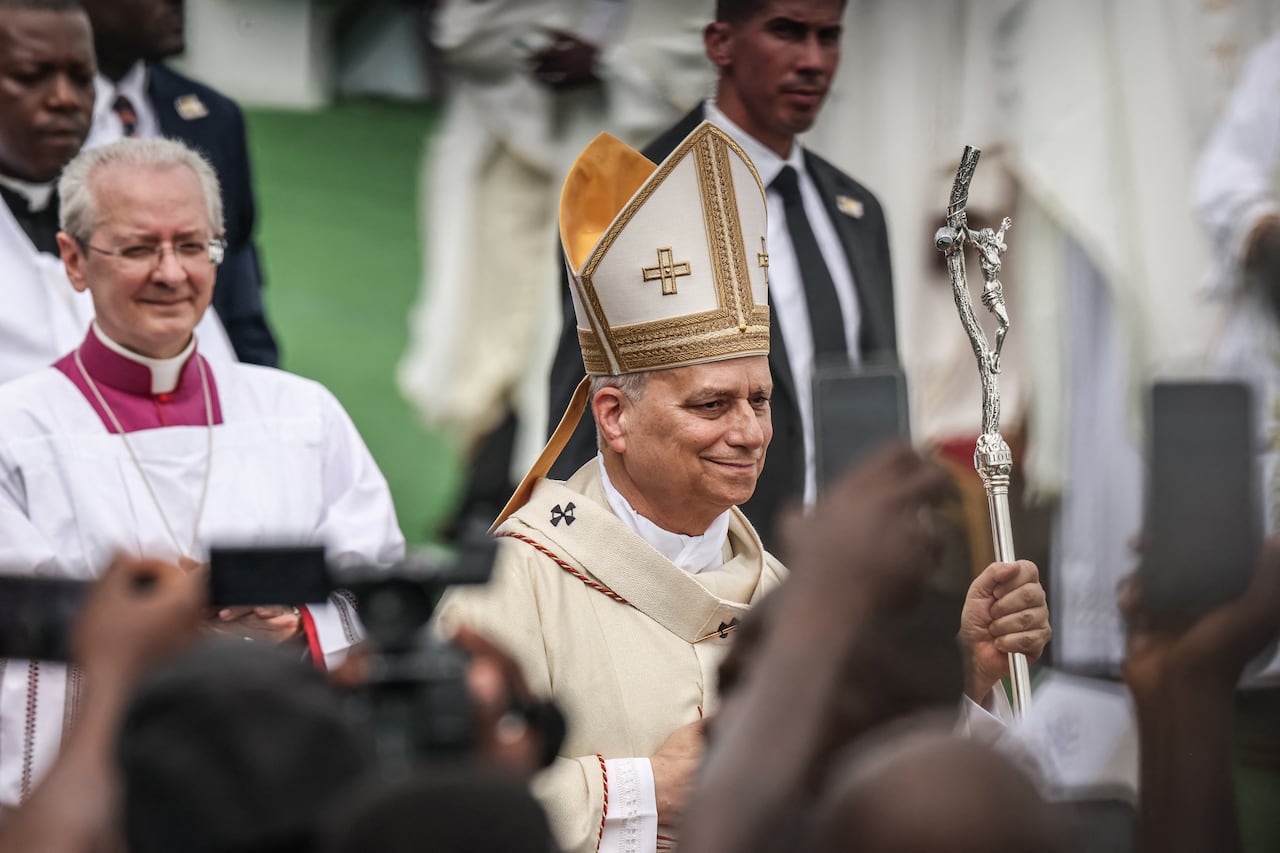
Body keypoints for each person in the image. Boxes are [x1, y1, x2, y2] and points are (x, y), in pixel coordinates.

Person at [439, 123, 1050, 853]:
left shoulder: (786, 591)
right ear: (614, 416)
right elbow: (443, 803)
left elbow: (861, 790)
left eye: (759, 401)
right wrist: (634, 793)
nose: (750, 431)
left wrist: (969, 673)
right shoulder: (516, 579)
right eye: (710, 404)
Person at [0, 137, 404, 809]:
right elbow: (15, 622)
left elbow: (379, 585)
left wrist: (299, 628)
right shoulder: (15, 428)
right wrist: (165, 627)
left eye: (192, 246)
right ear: (74, 259)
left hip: (274, 791)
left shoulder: (301, 415)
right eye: (137, 248)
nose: (171, 272)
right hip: (102, 800)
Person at [546, 0, 896, 548]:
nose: (813, 60)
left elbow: (873, 381)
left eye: (828, 37)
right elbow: (589, 397)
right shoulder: (634, 197)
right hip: (698, 560)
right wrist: (576, 556)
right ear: (721, 44)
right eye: (787, 32)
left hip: (842, 566)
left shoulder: (856, 209)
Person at [398, 0, 715, 539]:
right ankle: (486, 481)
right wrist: (534, 45)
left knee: (580, 332)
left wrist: (612, 62)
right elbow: (464, 28)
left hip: (622, 138)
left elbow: (702, 39)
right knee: (490, 324)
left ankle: (543, 493)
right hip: (507, 133)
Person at [0, 0, 233, 385]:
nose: (64, 99)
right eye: (30, 76)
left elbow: (217, 379)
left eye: (81, 78)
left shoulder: (128, 209)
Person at [78, 0, 279, 366]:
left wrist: (256, 370)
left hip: (196, 380)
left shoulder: (212, 115)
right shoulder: (30, 120)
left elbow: (235, 259)